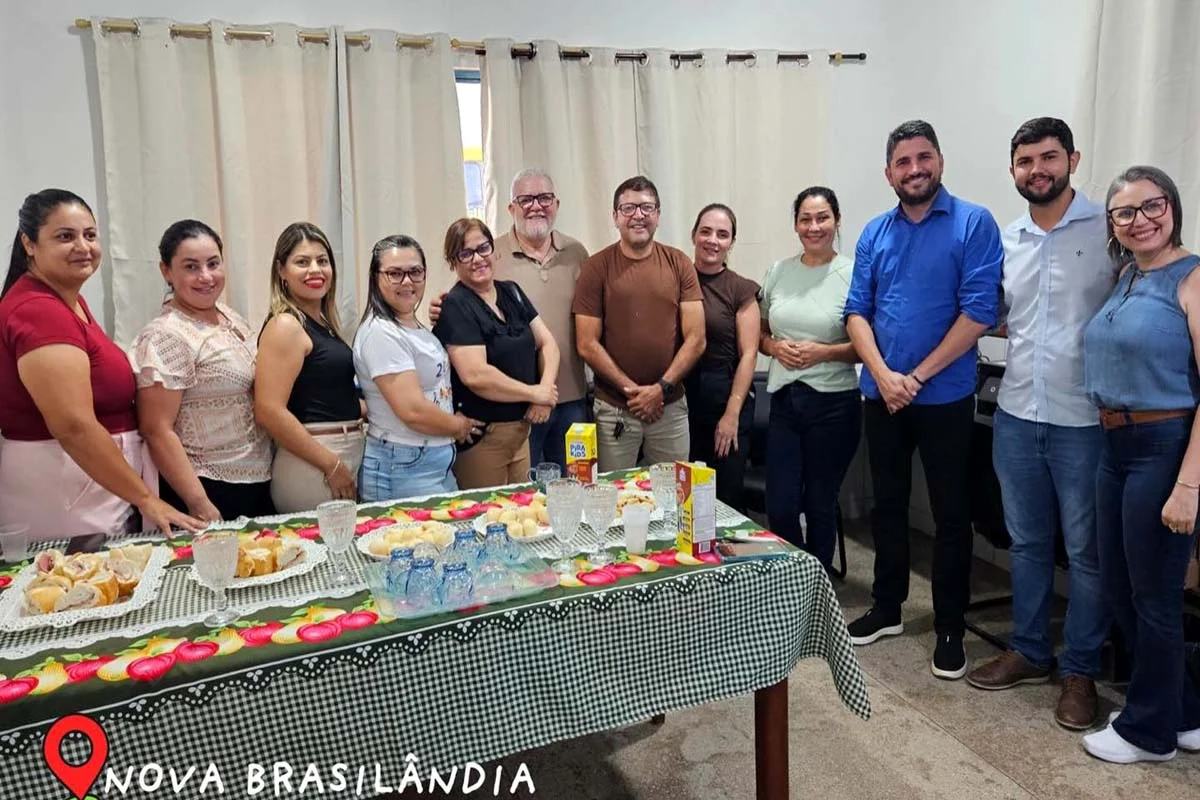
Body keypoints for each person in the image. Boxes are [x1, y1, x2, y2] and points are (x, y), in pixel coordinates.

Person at [964, 118, 1115, 731]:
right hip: (1018, 413)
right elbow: (994, 315)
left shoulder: (1110, 228)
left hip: (1087, 418)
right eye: (1025, 162)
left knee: (1085, 552)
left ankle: (1079, 670)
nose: (1037, 170)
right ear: (1012, 171)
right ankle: (1029, 649)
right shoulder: (1009, 239)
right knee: (1025, 542)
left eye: (1048, 158)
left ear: (1073, 159)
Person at [843, 120, 1004, 682]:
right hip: (881, 395)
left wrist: (915, 376)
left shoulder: (973, 223)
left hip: (946, 397)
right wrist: (885, 375)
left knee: (950, 516)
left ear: (939, 161)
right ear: (888, 173)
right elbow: (856, 311)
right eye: (903, 162)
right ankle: (887, 609)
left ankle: (949, 628)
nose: (914, 169)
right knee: (888, 505)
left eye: (923, 157)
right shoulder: (874, 233)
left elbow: (980, 310)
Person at [1080, 166, 1200, 764]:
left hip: (1165, 446)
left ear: (1172, 206)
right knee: (1122, 588)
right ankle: (1182, 713)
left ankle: (1148, 733)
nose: (1140, 220)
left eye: (1151, 206)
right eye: (1124, 213)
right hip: (1115, 447)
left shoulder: (1193, 278)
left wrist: (1188, 485)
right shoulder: (1128, 274)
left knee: (1153, 596)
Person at [0, 190, 201, 540]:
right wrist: (145, 499)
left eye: (90, 235)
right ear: (29, 244)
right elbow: (73, 425)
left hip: (90, 484)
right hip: (65, 488)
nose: (83, 246)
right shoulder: (38, 311)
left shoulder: (65, 302)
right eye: (65, 236)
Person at [130, 220, 274, 522]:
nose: (206, 276)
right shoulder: (166, 335)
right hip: (209, 486)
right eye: (191, 267)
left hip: (258, 479)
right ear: (166, 271)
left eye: (213, 263)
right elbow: (156, 429)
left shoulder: (229, 318)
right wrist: (199, 503)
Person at [573, 175, 706, 471]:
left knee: (674, 498)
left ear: (658, 215)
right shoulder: (596, 268)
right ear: (615, 216)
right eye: (629, 208)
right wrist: (634, 392)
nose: (638, 216)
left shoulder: (679, 263)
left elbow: (697, 339)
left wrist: (659, 390)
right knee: (612, 498)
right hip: (614, 410)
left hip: (669, 409)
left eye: (647, 208)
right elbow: (586, 342)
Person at [759, 187, 861, 570]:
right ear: (796, 224)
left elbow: (867, 345)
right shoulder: (779, 272)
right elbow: (760, 332)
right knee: (781, 503)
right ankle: (797, 575)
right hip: (785, 400)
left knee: (820, 501)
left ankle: (817, 588)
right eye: (805, 219)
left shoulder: (854, 273)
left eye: (822, 218)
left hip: (835, 404)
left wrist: (825, 352)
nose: (814, 226)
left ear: (836, 221)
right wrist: (772, 348)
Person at [432, 219, 559, 489]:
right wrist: (533, 393)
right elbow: (475, 375)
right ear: (452, 261)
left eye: (483, 248)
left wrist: (544, 393)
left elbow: (547, 342)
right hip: (484, 438)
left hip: (521, 432)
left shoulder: (511, 291)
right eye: (465, 253)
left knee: (524, 516)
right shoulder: (455, 305)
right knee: (488, 521)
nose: (477, 259)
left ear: (494, 251)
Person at [354, 235, 481, 501]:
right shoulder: (381, 332)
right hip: (402, 464)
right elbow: (412, 411)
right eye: (395, 274)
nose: (407, 281)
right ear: (376, 278)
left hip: (431, 459)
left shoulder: (412, 326)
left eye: (415, 272)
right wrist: (459, 425)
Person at [254, 222, 365, 513]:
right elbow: (268, 410)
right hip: (313, 463)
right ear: (281, 271)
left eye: (322, 261)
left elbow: (326, 394)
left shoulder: (323, 324)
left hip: (339, 452)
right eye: (302, 262)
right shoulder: (286, 325)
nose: (315, 270)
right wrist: (331, 464)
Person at [684, 203, 760, 510]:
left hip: (727, 400)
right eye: (706, 231)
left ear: (731, 242)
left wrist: (731, 415)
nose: (712, 240)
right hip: (682, 401)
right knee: (685, 498)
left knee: (723, 500)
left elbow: (750, 354)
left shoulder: (740, 289)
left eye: (722, 234)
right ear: (693, 235)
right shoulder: (677, 279)